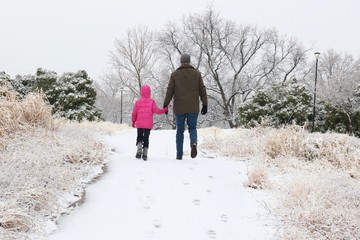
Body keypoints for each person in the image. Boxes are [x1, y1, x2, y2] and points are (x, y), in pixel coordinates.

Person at [163, 53, 207, 160]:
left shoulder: (175, 75)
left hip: (179, 108)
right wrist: (205, 104)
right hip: (193, 107)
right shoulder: (197, 74)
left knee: (180, 130)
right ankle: (193, 143)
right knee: (192, 128)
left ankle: (179, 154)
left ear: (181, 62)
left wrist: (166, 104)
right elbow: (202, 89)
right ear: (189, 61)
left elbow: (170, 91)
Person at [132, 84, 168, 161]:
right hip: (148, 124)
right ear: (149, 92)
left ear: (141, 92)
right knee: (146, 138)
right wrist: (164, 110)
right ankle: (145, 154)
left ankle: (139, 151)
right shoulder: (152, 102)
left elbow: (134, 113)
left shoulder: (138, 102)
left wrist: (133, 122)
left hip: (140, 123)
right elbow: (157, 111)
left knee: (139, 136)